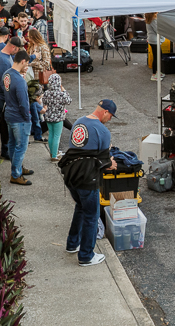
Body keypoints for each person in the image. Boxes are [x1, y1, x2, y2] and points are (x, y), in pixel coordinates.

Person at [58, 99, 119, 267]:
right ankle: (86, 255)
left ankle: (72, 244)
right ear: (105, 112)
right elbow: (105, 163)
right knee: (92, 215)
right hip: (88, 178)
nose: (110, 120)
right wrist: (111, 163)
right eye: (111, 116)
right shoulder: (103, 131)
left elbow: (80, 151)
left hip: (71, 175)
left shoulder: (78, 122)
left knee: (80, 207)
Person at [3, 50, 37, 185]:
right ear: (23, 61)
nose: (27, 66)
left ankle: (17, 168)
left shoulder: (7, 74)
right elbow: (24, 103)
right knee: (21, 146)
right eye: (27, 63)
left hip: (9, 114)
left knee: (12, 144)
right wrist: (27, 118)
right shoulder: (20, 81)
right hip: (19, 118)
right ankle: (16, 174)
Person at [0, 35, 24, 159]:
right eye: (17, 50)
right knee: (5, 124)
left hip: (2, 95)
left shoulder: (6, 57)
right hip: (3, 97)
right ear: (13, 47)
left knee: (4, 123)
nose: (17, 52)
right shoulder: (4, 61)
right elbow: (5, 82)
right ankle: (5, 150)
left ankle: (6, 148)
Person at [42, 73, 72, 161]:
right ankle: (54, 156)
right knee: (56, 136)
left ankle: (52, 152)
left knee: (51, 135)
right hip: (58, 118)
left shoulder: (47, 93)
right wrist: (64, 90)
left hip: (48, 116)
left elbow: (44, 101)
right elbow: (69, 101)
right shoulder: (61, 94)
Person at [145, 12, 163, 81]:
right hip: (155, 41)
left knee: (157, 56)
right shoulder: (153, 20)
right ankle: (154, 74)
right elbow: (158, 30)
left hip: (152, 40)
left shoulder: (148, 19)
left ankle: (157, 72)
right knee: (157, 57)